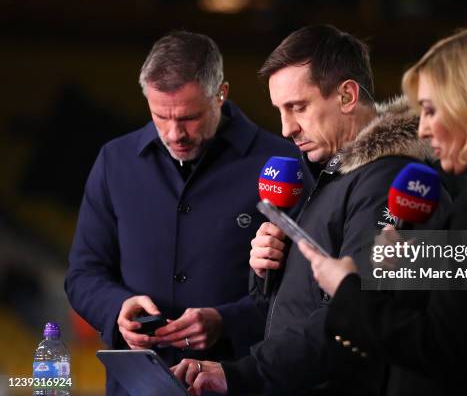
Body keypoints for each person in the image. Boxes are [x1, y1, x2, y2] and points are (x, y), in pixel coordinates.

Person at [171, 24, 450, 395]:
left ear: (347, 95)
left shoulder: (389, 182)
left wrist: (244, 374)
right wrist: (269, 272)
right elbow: (303, 304)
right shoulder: (329, 175)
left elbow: (355, 315)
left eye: (297, 107)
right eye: (280, 110)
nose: (286, 128)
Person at [299, 26, 467, 395]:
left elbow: (440, 344)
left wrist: (347, 289)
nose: (424, 131)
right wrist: (416, 261)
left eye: (431, 110)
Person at [64, 31, 302, 395]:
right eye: (161, 116)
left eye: (190, 117)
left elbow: (304, 291)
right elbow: (83, 273)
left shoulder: (281, 163)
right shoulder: (115, 160)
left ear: (220, 94)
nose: (175, 133)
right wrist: (117, 308)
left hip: (240, 381)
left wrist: (227, 321)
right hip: (135, 387)